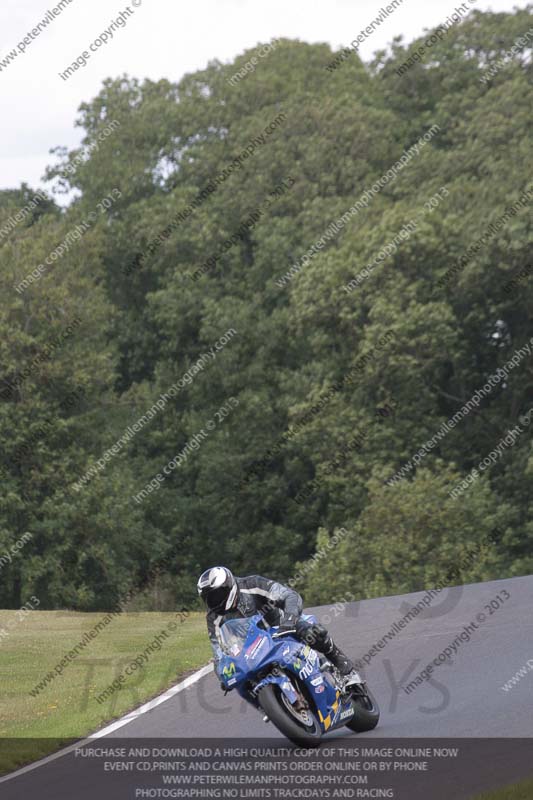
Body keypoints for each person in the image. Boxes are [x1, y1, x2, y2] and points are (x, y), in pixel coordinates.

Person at [197, 565, 360, 686]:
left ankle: (342, 666)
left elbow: (289, 595)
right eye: (209, 599)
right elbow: (218, 653)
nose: (214, 601)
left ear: (228, 586)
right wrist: (223, 675)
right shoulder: (213, 618)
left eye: (217, 595)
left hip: (280, 629)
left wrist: (290, 619)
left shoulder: (251, 584)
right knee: (243, 684)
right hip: (250, 651)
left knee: (311, 631)